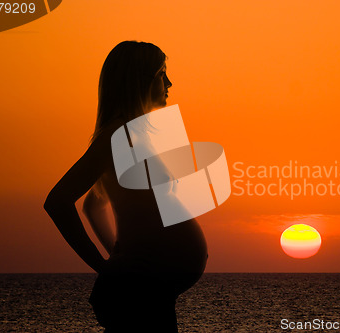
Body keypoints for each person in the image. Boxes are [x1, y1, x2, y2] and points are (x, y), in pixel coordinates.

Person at [43, 41, 208, 332]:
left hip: (151, 289)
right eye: (161, 74)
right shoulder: (116, 137)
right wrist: (106, 266)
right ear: (138, 81)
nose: (169, 82)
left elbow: (93, 205)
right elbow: (58, 201)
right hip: (139, 295)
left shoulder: (134, 135)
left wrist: (116, 257)